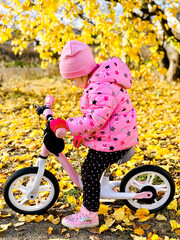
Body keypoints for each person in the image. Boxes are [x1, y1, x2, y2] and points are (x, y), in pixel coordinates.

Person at [50, 40, 139, 229]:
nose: (73, 85)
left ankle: (89, 214)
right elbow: (99, 118)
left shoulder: (101, 86)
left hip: (115, 141)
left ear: (82, 74)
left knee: (89, 171)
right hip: (113, 136)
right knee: (93, 166)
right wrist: (83, 134)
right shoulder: (100, 82)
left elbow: (95, 119)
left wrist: (68, 125)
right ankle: (98, 193)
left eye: (72, 80)